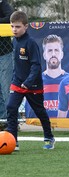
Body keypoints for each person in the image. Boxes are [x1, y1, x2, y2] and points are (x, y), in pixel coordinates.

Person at [7, 11, 55, 150]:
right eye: (12, 27)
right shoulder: (14, 41)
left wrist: (28, 82)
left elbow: (36, 65)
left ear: (26, 26)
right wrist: (17, 79)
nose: (14, 30)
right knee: (11, 107)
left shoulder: (31, 43)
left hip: (32, 84)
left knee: (39, 111)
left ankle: (49, 137)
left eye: (17, 27)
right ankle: (12, 140)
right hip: (17, 82)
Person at [25, 34, 69, 118]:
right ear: (44, 55)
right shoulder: (35, 82)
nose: (53, 54)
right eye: (49, 50)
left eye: (56, 50)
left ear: (62, 54)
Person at [0, 0, 14, 130]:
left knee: (6, 88)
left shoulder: (2, 3)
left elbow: (11, 17)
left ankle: (10, 121)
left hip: (4, 53)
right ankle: (1, 120)